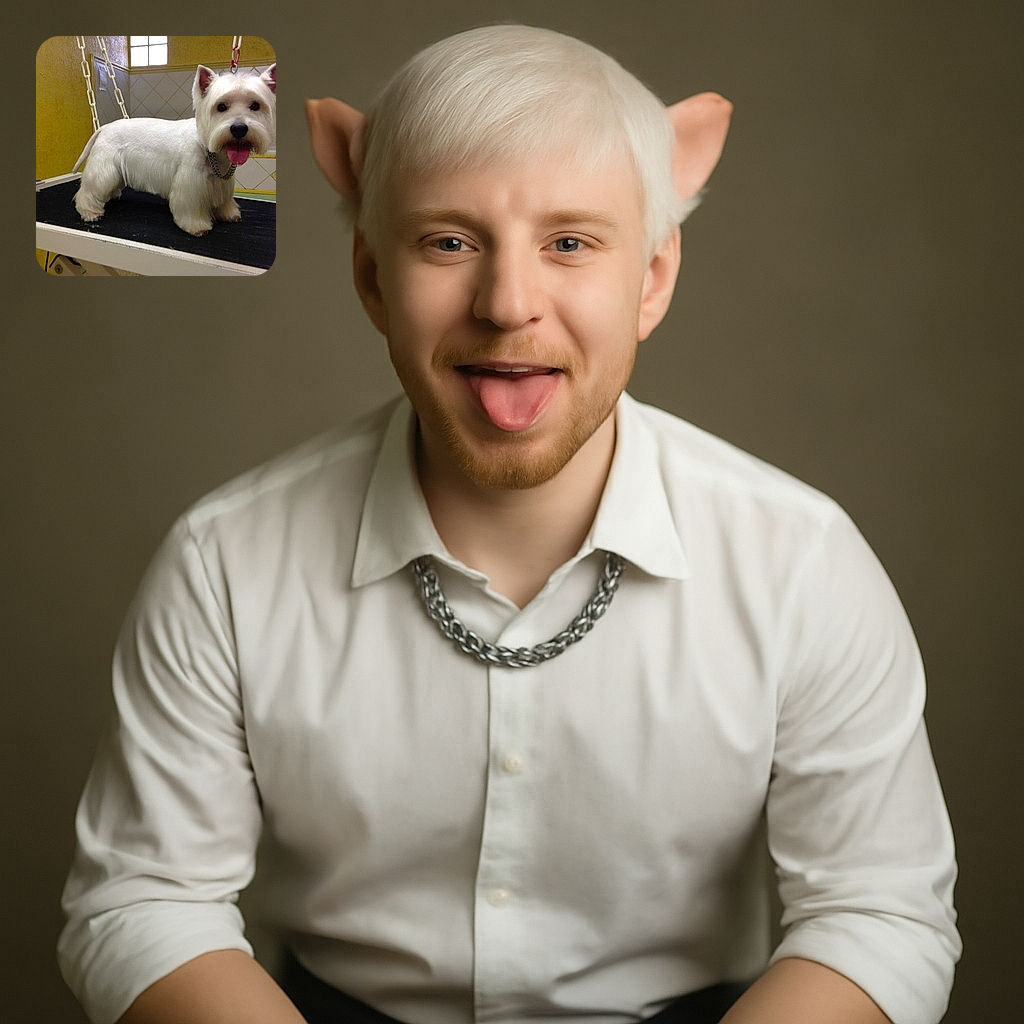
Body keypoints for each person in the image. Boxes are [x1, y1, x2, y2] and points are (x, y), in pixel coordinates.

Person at [58, 24, 960, 1024]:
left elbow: (878, 913)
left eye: (569, 242)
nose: (507, 304)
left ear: (652, 278)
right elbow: (145, 901)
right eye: (449, 241)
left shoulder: (802, 561)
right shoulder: (224, 561)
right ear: (372, 276)